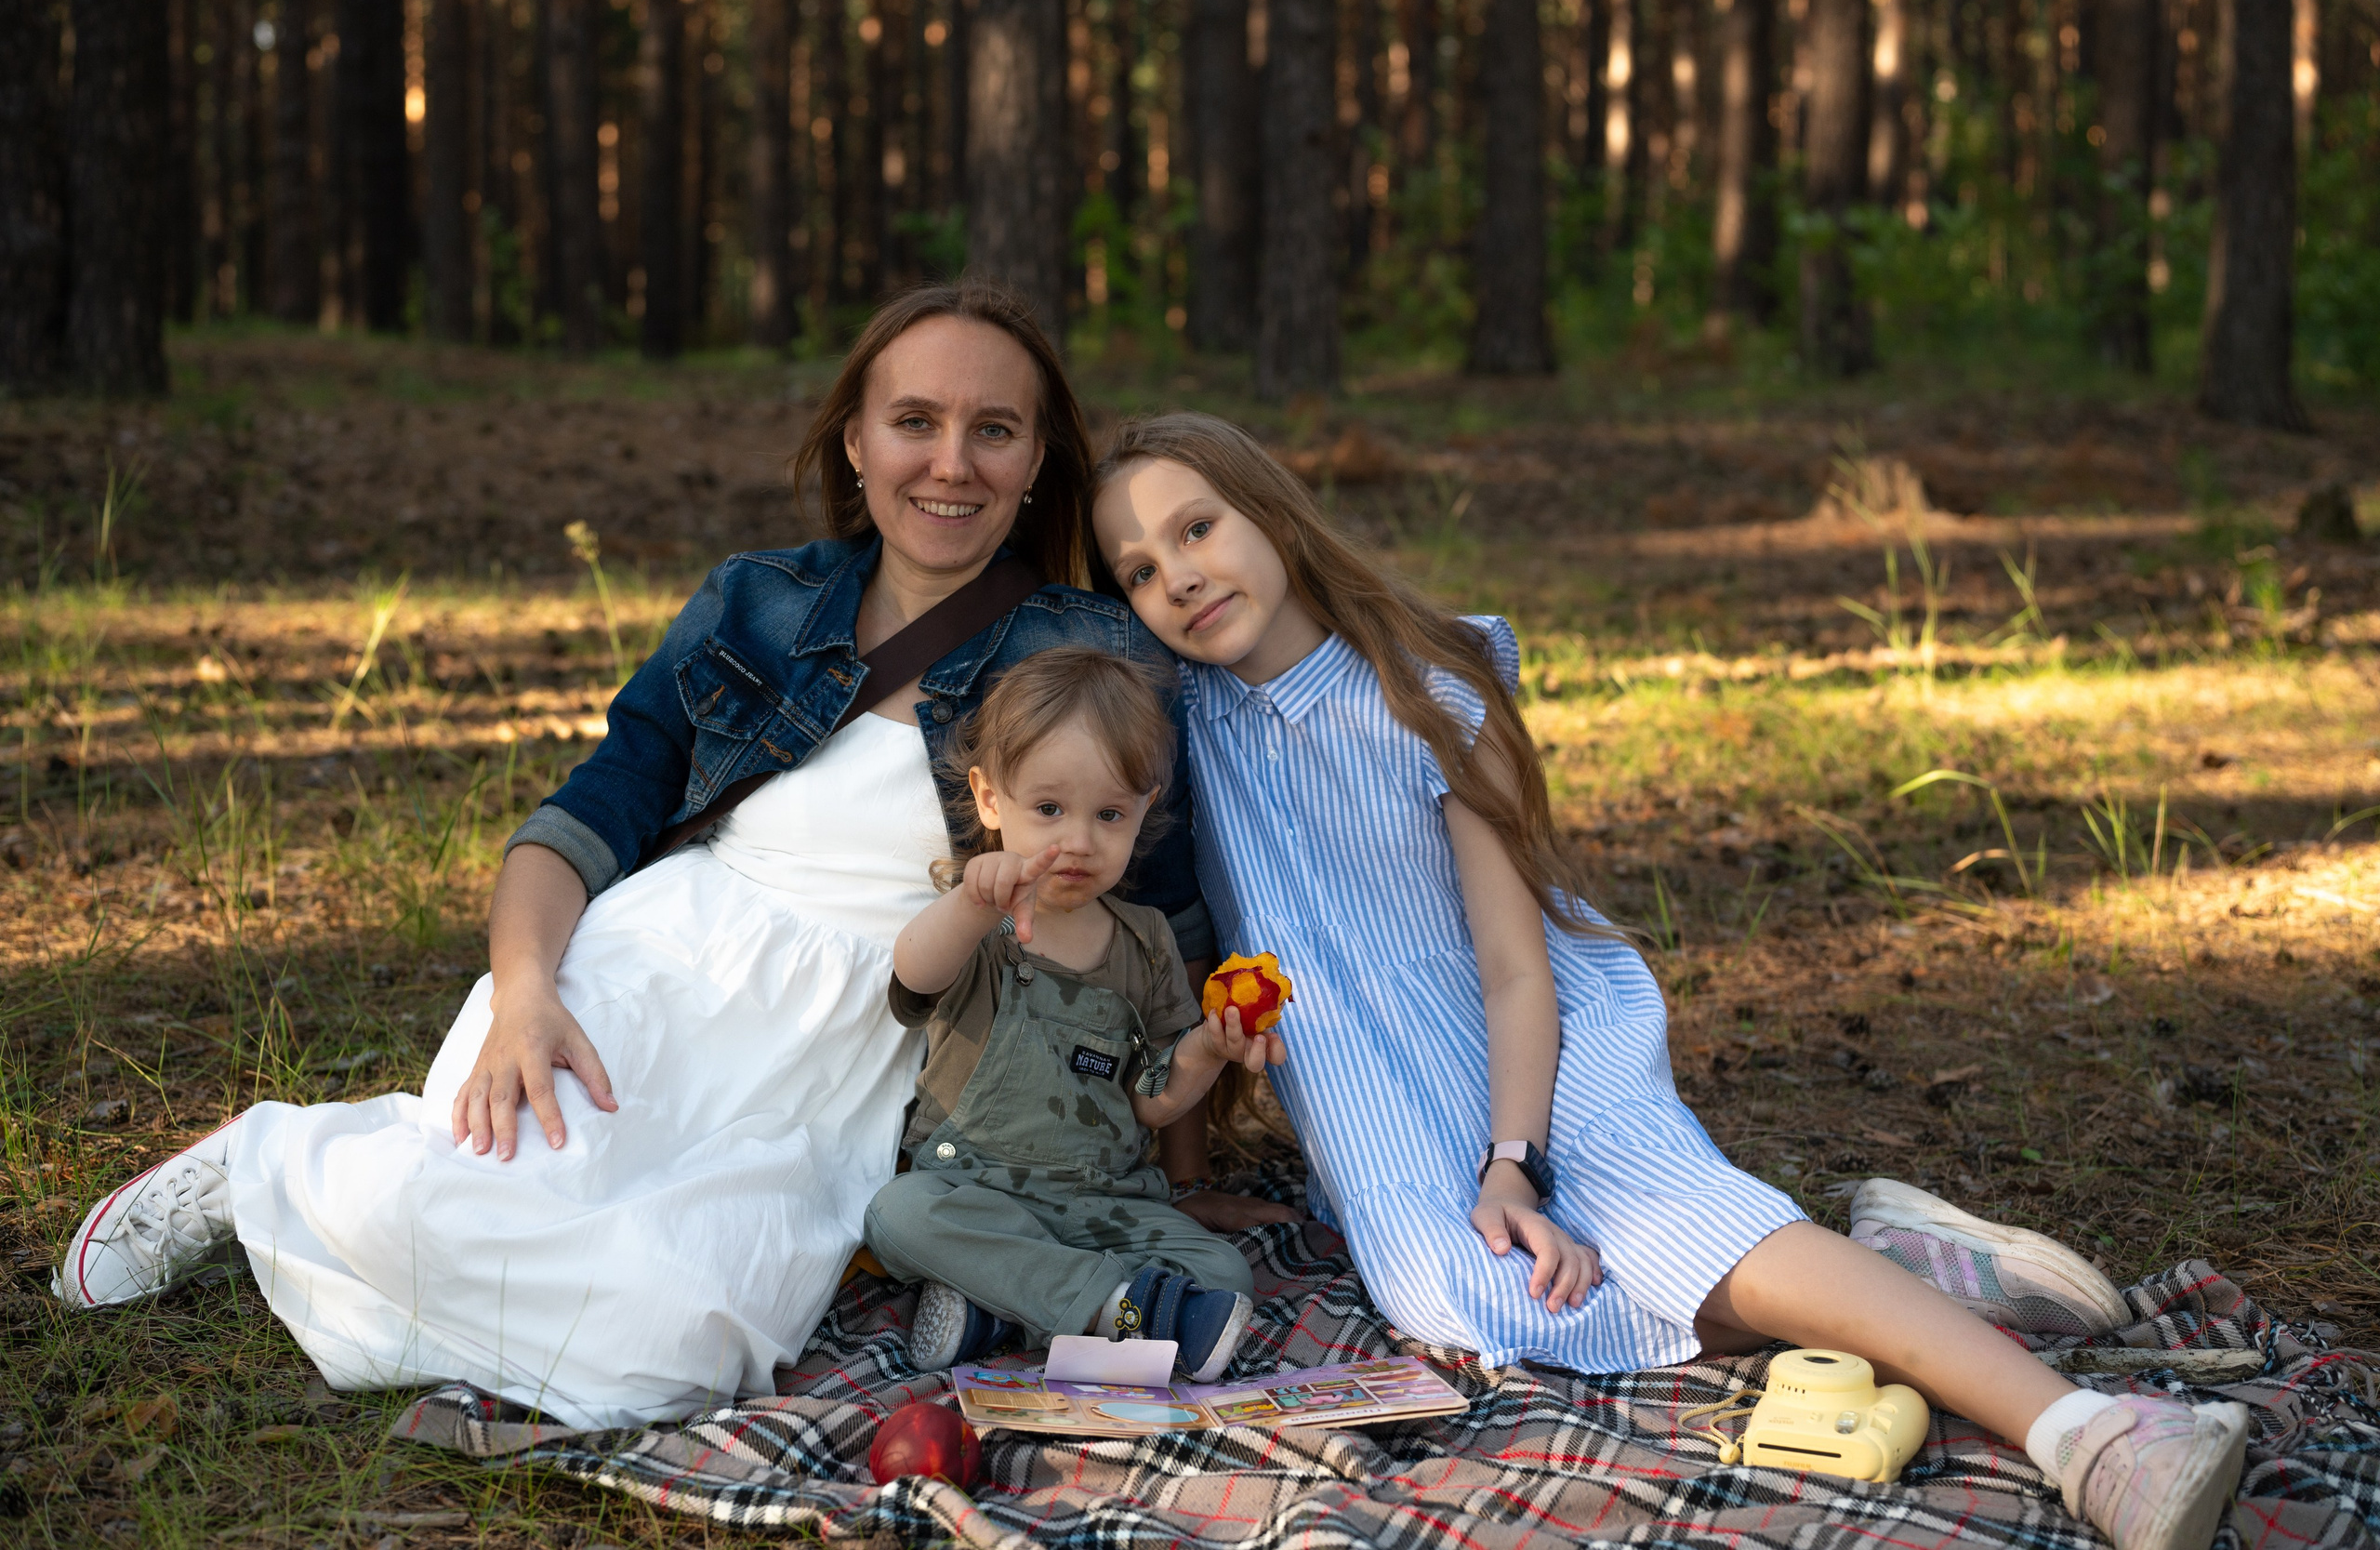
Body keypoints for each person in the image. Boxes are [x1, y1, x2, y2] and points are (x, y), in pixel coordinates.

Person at [50, 284, 1218, 1431]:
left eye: (992, 429)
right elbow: (587, 812)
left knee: (682, 1337)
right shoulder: (757, 601)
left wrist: (1176, 1149)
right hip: (665, 971)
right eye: (915, 420)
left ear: (1035, 457)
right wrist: (523, 992)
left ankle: (363, 1227)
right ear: (857, 440)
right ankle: (265, 1162)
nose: (951, 462)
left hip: (866, 1040)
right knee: (441, 1193)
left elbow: (1148, 926)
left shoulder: (1090, 644)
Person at [1088, 411, 2251, 1550]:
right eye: (1139, 570)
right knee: (1467, 1298)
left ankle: (2090, 1433)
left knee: (1665, 1227)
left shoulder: (1424, 693)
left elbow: (1513, 968)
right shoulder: (1181, 725)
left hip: (1536, 1043)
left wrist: (1514, 1162)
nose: (1178, 579)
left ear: (1276, 518)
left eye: (1198, 529)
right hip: (1381, 1095)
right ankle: (1889, 1264)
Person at [863, 647, 1281, 1381]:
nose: (1078, 840)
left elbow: (1154, 1101)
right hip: (976, 1190)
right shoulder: (976, 920)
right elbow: (912, 975)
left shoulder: (1145, 943)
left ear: (1145, 808)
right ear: (992, 801)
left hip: (1103, 1204)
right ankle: (1114, 1312)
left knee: (1223, 1269)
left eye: (1108, 813)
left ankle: (999, 1311)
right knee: (899, 1214)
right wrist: (968, 901)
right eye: (1049, 808)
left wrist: (1209, 1048)